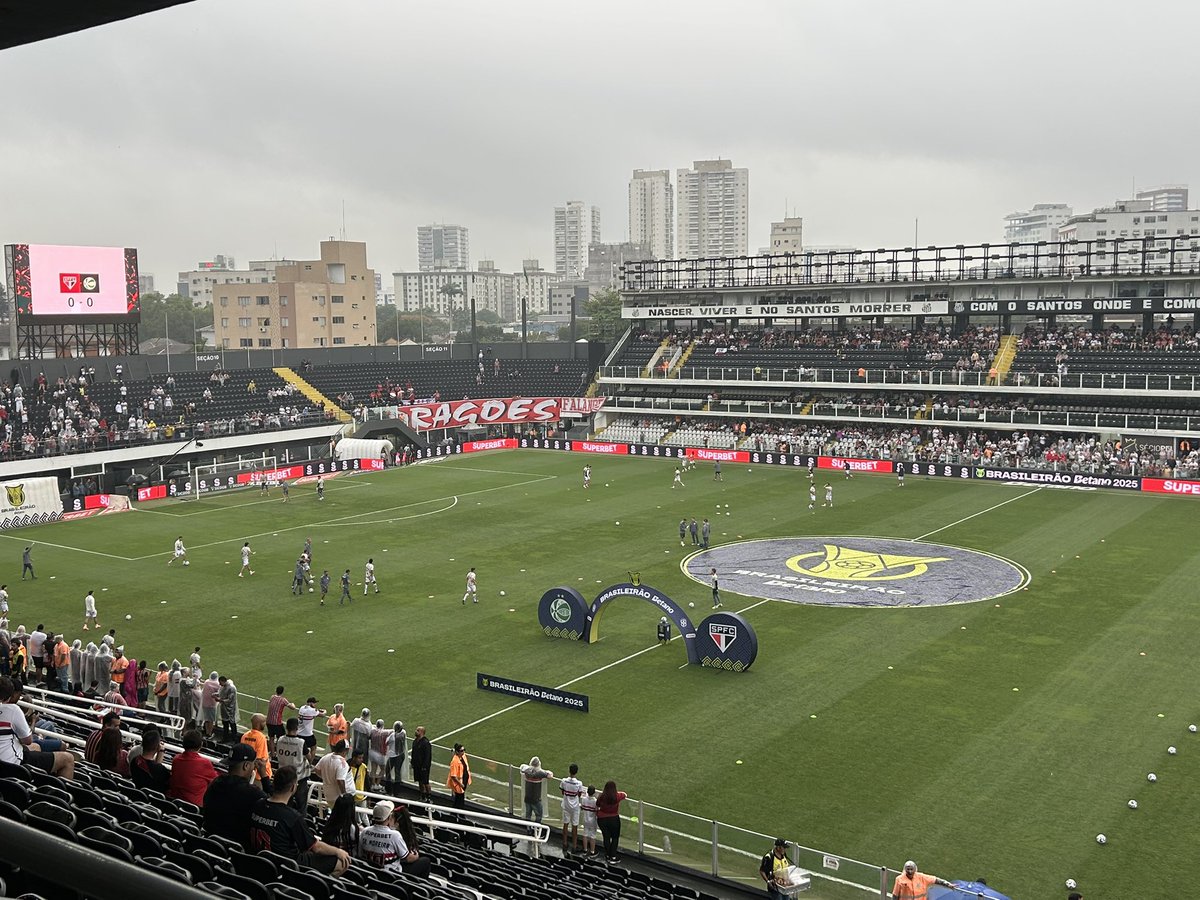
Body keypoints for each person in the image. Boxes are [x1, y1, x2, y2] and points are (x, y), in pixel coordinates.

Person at [249, 765, 351, 875]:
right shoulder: (292, 816)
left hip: (261, 860)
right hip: (288, 866)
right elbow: (316, 848)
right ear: (293, 787)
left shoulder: (258, 804)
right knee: (341, 862)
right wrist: (338, 851)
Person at [0, 675, 74, 778]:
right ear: (9, 696)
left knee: (37, 747)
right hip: (11, 766)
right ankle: (62, 793)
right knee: (68, 759)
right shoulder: (12, 709)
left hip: (7, 760)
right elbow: (28, 740)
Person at [204, 744, 266, 847]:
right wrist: (264, 776)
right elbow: (275, 806)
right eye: (253, 764)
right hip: (236, 851)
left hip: (210, 843)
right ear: (246, 766)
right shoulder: (253, 793)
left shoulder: (215, 783)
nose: (254, 767)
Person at [359, 800, 431, 877]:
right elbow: (408, 858)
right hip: (390, 875)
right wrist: (416, 855)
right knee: (426, 861)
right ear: (389, 817)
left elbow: (360, 854)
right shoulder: (395, 835)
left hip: (370, 872)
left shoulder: (364, 831)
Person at [169, 728, 218, 806]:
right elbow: (216, 780)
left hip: (175, 804)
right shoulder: (204, 763)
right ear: (201, 745)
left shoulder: (176, 759)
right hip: (193, 809)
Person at [275, 717, 314, 810]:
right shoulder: (300, 743)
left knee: (285, 804)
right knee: (301, 806)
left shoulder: (280, 740)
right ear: (297, 728)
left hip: (283, 776)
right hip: (299, 779)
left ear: (286, 727)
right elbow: (310, 758)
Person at [314, 739, 355, 803]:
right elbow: (340, 780)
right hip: (339, 798)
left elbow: (316, 769)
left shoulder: (326, 757)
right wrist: (345, 795)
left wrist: (326, 778)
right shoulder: (342, 763)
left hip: (329, 795)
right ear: (344, 751)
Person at [130, 729, 171, 793]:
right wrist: (161, 751)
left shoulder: (134, 760)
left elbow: (155, 768)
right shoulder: (160, 770)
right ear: (157, 746)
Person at [596, 780, 627, 862]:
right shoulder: (617, 796)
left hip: (602, 819)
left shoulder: (602, 796)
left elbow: (597, 804)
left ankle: (607, 855)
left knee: (606, 837)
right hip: (613, 820)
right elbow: (625, 795)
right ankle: (612, 856)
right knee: (615, 838)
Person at [240, 713, 273, 793]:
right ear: (259, 724)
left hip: (247, 773)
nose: (265, 724)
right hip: (259, 776)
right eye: (264, 722)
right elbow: (259, 758)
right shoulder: (261, 737)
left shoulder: (245, 736)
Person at [520, 756, 554, 824]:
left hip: (527, 798)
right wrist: (546, 771)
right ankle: (536, 830)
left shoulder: (527, 770)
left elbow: (522, 767)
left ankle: (528, 830)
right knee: (539, 816)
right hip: (536, 799)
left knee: (528, 816)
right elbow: (550, 775)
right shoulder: (540, 773)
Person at [560, 763, 584, 854]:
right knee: (575, 826)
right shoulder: (579, 783)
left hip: (566, 805)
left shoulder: (564, 781)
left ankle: (565, 843)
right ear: (576, 772)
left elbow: (562, 792)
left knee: (565, 824)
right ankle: (574, 846)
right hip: (575, 807)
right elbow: (579, 794)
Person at [266, 685, 297, 751]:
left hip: (269, 721)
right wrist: (293, 704)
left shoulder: (272, 697)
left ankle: (273, 753)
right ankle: (278, 752)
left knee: (271, 738)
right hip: (277, 723)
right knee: (281, 738)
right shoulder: (283, 700)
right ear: (282, 692)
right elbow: (292, 708)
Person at [411, 725, 432, 803]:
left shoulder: (426, 743)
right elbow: (413, 753)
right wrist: (412, 762)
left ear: (422, 732)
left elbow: (428, 756)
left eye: (418, 730)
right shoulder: (415, 741)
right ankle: (422, 795)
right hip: (417, 765)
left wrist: (425, 766)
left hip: (423, 766)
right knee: (419, 781)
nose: (416, 731)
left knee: (425, 781)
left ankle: (429, 797)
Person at [447, 742, 470, 808]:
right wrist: (461, 784)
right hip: (459, 784)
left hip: (463, 781)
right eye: (461, 751)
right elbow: (453, 776)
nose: (463, 752)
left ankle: (455, 814)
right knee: (459, 800)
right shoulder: (455, 761)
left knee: (459, 799)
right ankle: (458, 814)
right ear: (457, 752)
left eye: (464, 750)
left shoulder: (462, 757)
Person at [219, 674, 239, 741]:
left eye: (220, 682)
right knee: (225, 724)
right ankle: (225, 738)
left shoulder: (231, 688)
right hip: (224, 709)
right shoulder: (223, 687)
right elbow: (221, 694)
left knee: (232, 724)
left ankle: (235, 738)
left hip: (230, 709)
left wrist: (220, 700)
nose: (219, 684)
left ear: (223, 681)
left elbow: (230, 699)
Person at [580, 785, 598, 857]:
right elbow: (597, 810)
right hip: (593, 820)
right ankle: (592, 851)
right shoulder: (595, 801)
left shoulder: (584, 799)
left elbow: (582, 807)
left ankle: (585, 849)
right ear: (594, 793)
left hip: (585, 819)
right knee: (592, 835)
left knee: (585, 834)